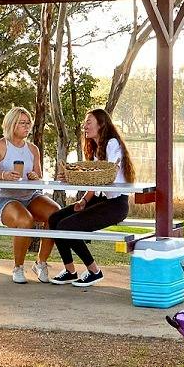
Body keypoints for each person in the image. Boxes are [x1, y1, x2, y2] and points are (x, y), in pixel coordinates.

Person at [39, 108, 134, 288]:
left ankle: (94, 271)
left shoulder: (112, 143)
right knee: (55, 219)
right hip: (98, 201)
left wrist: (77, 175)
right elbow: (95, 179)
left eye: (89, 122)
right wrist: (83, 200)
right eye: (85, 122)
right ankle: (70, 271)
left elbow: (107, 174)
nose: (85, 126)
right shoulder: (98, 148)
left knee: (67, 226)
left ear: (101, 124)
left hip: (115, 205)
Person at [0, 105, 57, 283]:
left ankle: (41, 262)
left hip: (31, 197)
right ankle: (18, 267)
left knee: (56, 214)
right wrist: (3, 175)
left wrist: (34, 176)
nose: (27, 126)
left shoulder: (33, 150)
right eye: (22, 123)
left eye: (28, 123)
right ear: (11, 124)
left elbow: (38, 176)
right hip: (6, 199)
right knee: (25, 220)